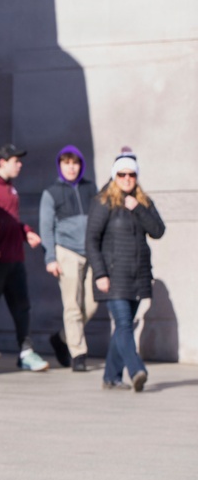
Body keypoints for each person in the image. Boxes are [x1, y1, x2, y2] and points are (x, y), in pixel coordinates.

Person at [85, 151, 165, 392]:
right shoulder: (103, 202)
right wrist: (100, 273)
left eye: (131, 174)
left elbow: (158, 231)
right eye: (122, 174)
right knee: (124, 323)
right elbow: (91, 240)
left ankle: (110, 377)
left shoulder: (142, 201)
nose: (127, 179)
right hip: (112, 275)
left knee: (123, 326)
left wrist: (138, 208)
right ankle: (136, 369)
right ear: (114, 176)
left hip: (137, 276)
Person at [0, 143, 50, 372]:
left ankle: (26, 352)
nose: (20, 165)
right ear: (2, 163)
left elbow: (11, 221)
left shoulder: (10, 188)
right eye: (16, 160)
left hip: (16, 258)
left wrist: (26, 232)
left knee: (22, 307)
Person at [39, 145, 98, 371]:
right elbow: (46, 227)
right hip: (66, 252)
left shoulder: (91, 188)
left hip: (91, 251)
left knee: (91, 304)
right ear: (60, 165)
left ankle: (62, 337)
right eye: (66, 163)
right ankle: (79, 354)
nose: (71, 168)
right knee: (72, 304)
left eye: (75, 163)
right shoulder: (52, 192)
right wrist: (50, 258)